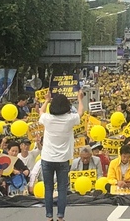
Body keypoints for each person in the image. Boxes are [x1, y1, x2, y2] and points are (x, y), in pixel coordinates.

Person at [39, 89, 84, 221]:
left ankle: (48, 217)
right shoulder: (70, 119)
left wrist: (47, 99)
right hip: (63, 159)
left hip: (47, 158)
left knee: (48, 189)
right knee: (62, 189)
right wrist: (80, 99)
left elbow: (40, 112)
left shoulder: (47, 118)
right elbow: (81, 112)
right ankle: (60, 216)